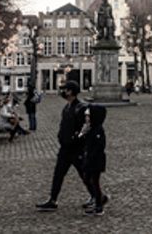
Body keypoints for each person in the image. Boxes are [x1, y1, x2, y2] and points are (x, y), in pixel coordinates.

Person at [36, 81, 93, 212]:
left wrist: (76, 139)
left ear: (71, 92)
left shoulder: (80, 107)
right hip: (65, 148)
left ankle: (98, 196)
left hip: (76, 148)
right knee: (58, 174)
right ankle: (53, 200)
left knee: (84, 174)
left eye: (66, 90)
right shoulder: (67, 107)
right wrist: (61, 136)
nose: (63, 92)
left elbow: (86, 127)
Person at [81, 105, 109, 216]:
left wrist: (89, 157)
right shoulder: (90, 128)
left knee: (94, 182)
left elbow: (97, 147)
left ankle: (99, 206)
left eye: (88, 116)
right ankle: (100, 198)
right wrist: (83, 133)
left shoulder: (97, 130)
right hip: (90, 159)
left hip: (96, 160)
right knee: (87, 178)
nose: (86, 118)